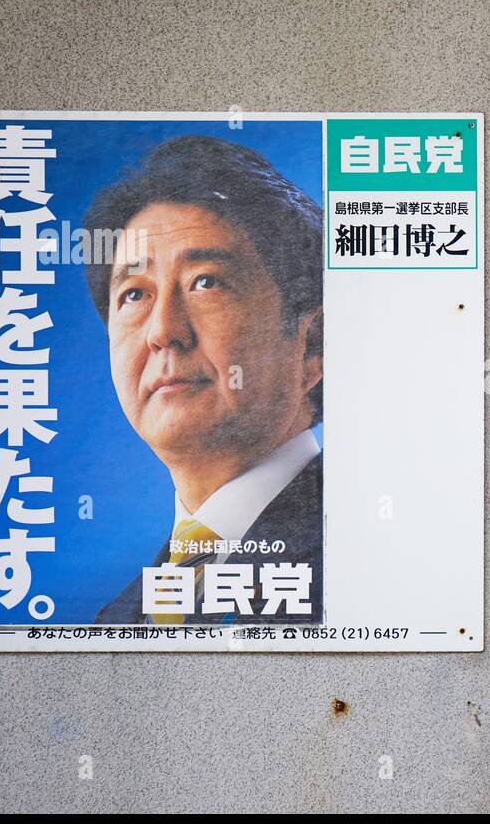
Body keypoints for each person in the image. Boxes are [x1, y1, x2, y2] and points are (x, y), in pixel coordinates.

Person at [85, 135, 324, 624]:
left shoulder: (371, 558)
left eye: (206, 282)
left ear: (312, 343)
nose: (163, 332)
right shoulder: (116, 620)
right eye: (133, 294)